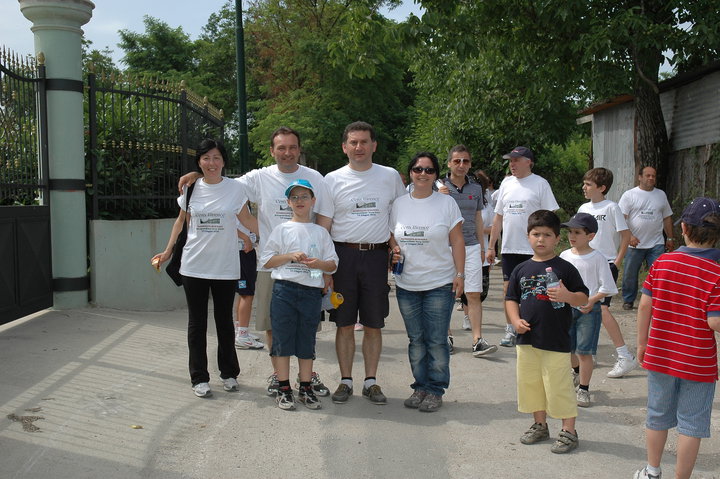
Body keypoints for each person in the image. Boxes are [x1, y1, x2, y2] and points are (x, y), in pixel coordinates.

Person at [179, 127, 333, 398]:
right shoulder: (259, 177)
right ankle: (279, 376)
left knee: (306, 325)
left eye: (292, 147)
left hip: (308, 268)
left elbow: (324, 218)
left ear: (299, 149)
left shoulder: (314, 178)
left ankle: (306, 377)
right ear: (272, 151)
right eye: (281, 148)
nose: (287, 153)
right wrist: (197, 175)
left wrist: (324, 264)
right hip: (270, 264)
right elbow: (220, 183)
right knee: (273, 324)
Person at [152, 139, 259, 398]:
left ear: (224, 161)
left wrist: (279, 238)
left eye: (217, 158)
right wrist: (167, 251)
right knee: (196, 323)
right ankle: (199, 377)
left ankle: (229, 373)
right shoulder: (191, 189)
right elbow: (181, 223)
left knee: (224, 321)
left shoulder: (236, 189)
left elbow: (246, 220)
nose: (212, 163)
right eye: (206, 158)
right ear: (199, 161)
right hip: (194, 265)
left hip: (225, 266)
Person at [634, 197, 720, 479]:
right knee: (692, 425)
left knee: (657, 415)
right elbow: (714, 321)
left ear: (683, 227)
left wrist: (642, 343)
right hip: (698, 362)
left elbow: (645, 305)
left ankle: (652, 471)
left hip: (660, 355)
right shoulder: (717, 272)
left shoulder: (663, 262)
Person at [324, 121, 407, 405]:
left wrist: (395, 247)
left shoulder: (390, 176)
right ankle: (345, 380)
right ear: (344, 147)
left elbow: (400, 217)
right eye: (353, 142)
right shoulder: (331, 180)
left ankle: (371, 381)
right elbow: (324, 224)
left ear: (374, 145)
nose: (358, 147)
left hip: (375, 256)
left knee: (374, 324)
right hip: (342, 256)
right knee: (344, 324)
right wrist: (326, 266)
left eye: (364, 142)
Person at [506, 210, 588, 454]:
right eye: (536, 234)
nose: (541, 239)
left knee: (558, 386)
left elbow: (582, 297)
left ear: (556, 239)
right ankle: (539, 424)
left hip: (556, 340)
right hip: (526, 339)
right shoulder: (521, 269)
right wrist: (515, 320)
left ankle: (569, 431)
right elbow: (511, 299)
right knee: (531, 385)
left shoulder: (565, 268)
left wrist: (567, 296)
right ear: (528, 236)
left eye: (547, 235)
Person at [388, 152, 465, 412]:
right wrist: (394, 249)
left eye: (429, 170)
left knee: (436, 340)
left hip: (439, 282)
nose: (423, 174)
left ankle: (435, 389)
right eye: (418, 169)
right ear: (410, 172)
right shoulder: (399, 203)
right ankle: (420, 386)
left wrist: (460, 274)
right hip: (407, 283)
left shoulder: (446, 204)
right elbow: (391, 235)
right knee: (416, 339)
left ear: (436, 175)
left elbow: (457, 241)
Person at [259, 179, 339, 410]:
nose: (299, 201)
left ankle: (305, 387)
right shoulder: (282, 229)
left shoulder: (320, 232)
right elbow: (267, 260)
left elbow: (332, 264)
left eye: (304, 196)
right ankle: (283, 386)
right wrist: (289, 256)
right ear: (288, 202)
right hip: (285, 290)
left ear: (313, 201)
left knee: (307, 340)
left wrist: (319, 264)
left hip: (311, 293)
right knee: (282, 339)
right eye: (294, 197)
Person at [486, 146, 559, 347]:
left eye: (517, 160)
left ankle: (539, 328)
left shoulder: (540, 184)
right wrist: (491, 246)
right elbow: (498, 217)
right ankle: (511, 329)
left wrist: (550, 242)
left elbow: (550, 217)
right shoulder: (506, 183)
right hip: (510, 248)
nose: (512, 164)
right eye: (510, 160)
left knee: (536, 290)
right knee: (508, 291)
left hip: (534, 248)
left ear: (529, 162)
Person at [577, 167, 639, 378]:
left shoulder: (612, 207)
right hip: (586, 264)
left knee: (602, 310)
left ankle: (625, 356)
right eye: (584, 183)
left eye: (588, 184)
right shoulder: (583, 207)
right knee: (587, 309)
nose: (584, 188)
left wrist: (617, 263)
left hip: (606, 264)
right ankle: (588, 353)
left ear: (602, 188)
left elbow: (625, 235)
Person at [438, 145, 497, 357]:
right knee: (445, 293)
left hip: (471, 245)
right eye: (457, 161)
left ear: (470, 164)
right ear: (449, 163)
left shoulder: (476, 188)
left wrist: (483, 247)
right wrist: (437, 195)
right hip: (445, 247)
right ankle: (446, 336)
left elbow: (478, 218)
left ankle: (477, 340)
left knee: (474, 293)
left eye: (465, 161)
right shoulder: (438, 186)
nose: (461, 165)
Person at [559, 213, 617, 407]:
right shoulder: (564, 256)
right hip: (567, 309)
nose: (572, 236)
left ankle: (584, 389)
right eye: (570, 232)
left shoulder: (598, 258)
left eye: (577, 232)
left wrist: (592, 301)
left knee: (584, 352)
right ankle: (576, 372)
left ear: (590, 236)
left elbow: (607, 287)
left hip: (588, 311)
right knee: (568, 348)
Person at [618, 166, 674, 310]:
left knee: (659, 273)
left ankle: (657, 300)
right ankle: (628, 299)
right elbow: (620, 219)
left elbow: (667, 217)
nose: (651, 178)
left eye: (653, 176)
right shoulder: (629, 195)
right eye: (647, 175)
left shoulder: (661, 195)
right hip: (634, 244)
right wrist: (629, 236)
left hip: (656, 243)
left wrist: (670, 238)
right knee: (630, 274)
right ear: (640, 177)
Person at [234, 222, 264, 349]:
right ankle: (242, 335)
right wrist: (246, 238)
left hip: (245, 250)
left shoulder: (241, 203)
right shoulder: (236, 203)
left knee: (243, 293)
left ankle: (240, 330)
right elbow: (229, 224)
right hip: (243, 250)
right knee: (247, 294)